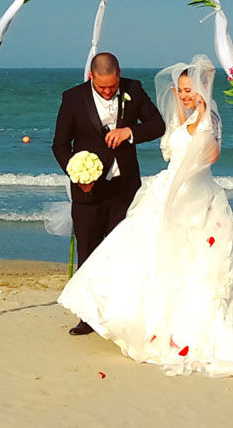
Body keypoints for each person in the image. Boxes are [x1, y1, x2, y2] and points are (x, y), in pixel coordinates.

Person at [58, 54, 233, 379]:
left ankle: (181, 326)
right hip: (155, 190)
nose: (186, 94)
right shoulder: (179, 115)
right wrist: (78, 171)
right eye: (182, 90)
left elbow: (207, 153)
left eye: (191, 89)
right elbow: (170, 132)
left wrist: (197, 121)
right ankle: (113, 318)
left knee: (187, 263)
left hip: (193, 196)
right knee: (136, 255)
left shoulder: (207, 119)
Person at [52, 52, 166, 335]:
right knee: (89, 251)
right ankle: (87, 316)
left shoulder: (134, 90)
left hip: (124, 187)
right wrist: (78, 175)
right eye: (102, 87)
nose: (107, 91)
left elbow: (158, 125)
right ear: (92, 77)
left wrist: (129, 131)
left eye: (112, 87)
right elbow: (60, 144)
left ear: (119, 75)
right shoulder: (73, 98)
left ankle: (120, 314)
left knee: (122, 251)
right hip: (88, 191)